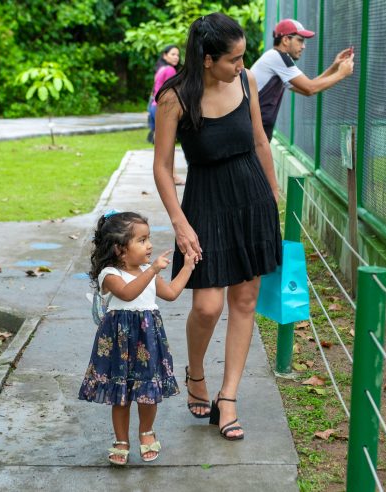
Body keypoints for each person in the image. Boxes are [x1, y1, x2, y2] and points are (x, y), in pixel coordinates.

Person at [153, 13, 282, 441]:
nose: (241, 67)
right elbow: (163, 166)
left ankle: (228, 399)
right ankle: (194, 372)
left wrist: (273, 195)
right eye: (234, 59)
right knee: (207, 307)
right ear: (208, 59)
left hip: (251, 198)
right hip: (204, 203)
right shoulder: (174, 97)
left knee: (244, 302)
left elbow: (260, 140)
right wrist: (180, 224)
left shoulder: (244, 84)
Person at [78, 211, 196, 465]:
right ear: (120, 249)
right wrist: (152, 270)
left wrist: (187, 267)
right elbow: (128, 294)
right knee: (121, 394)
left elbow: (172, 293)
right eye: (142, 240)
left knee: (147, 391)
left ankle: (146, 432)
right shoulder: (109, 274)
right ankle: (121, 440)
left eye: (148, 238)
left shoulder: (146, 271)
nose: (149, 245)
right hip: (120, 341)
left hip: (148, 340)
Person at [251, 18, 355, 141]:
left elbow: (308, 87)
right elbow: (310, 88)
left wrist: (334, 67)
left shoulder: (276, 58)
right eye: (300, 40)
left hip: (252, 130)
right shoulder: (279, 58)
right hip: (251, 131)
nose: (303, 46)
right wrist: (341, 74)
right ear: (285, 40)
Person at [147, 45, 186, 185]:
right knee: (169, 145)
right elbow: (173, 90)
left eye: (177, 54)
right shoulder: (169, 70)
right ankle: (173, 176)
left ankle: (167, 175)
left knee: (161, 145)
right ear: (165, 55)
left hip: (154, 107)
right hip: (163, 109)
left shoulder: (160, 69)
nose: (176, 57)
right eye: (173, 54)